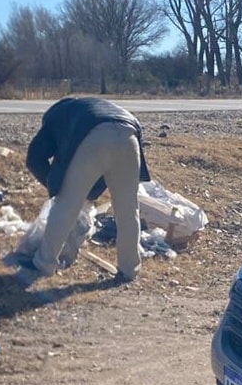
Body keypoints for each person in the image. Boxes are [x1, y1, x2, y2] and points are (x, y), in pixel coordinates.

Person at [24, 96, 151, 281]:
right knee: (128, 210)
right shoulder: (87, 109)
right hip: (129, 135)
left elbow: (34, 158)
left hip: (95, 135)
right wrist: (88, 192)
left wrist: (56, 189)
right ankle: (129, 269)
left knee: (65, 205)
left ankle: (44, 263)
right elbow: (104, 169)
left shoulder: (54, 117)